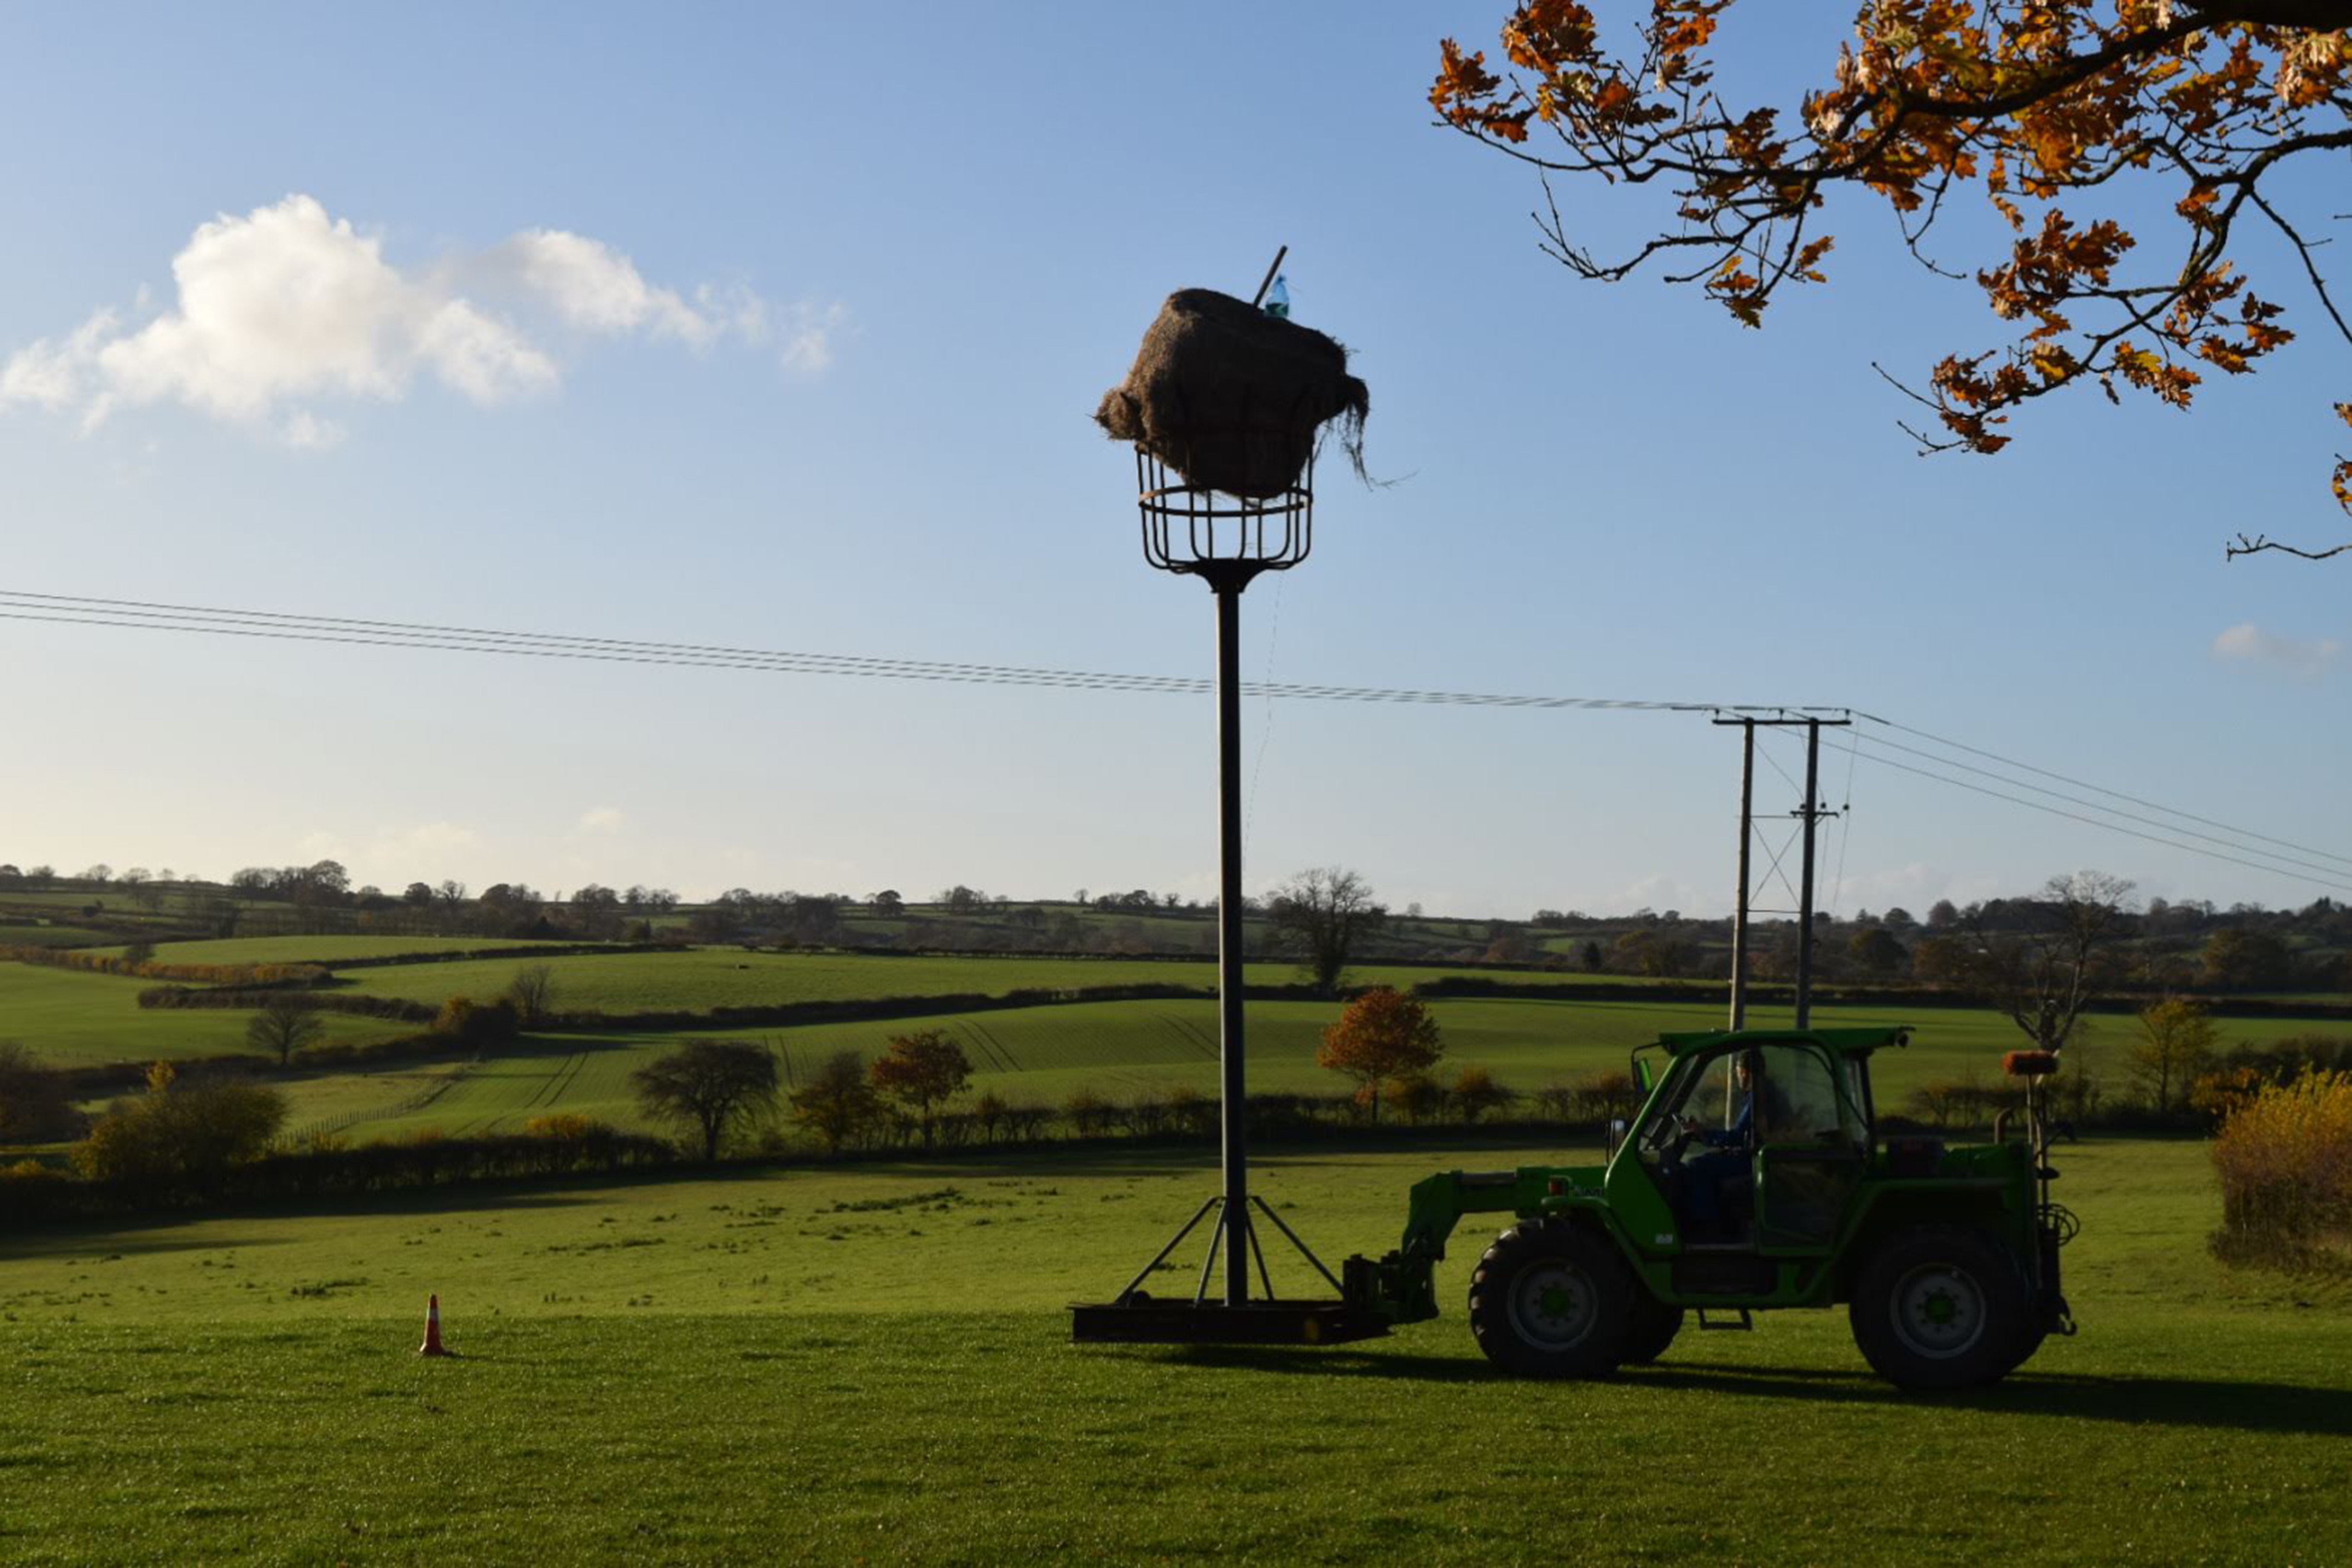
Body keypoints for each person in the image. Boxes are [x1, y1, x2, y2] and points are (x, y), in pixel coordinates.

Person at [1677, 1051, 1791, 1240]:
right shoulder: (1770, 1093)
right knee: (1709, 1161)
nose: (1738, 1078)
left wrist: (1703, 1133)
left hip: (1756, 1161)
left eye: (1738, 1073)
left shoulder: (1759, 1098)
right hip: (1763, 1158)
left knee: (1697, 1166)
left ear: (1745, 1073)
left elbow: (1737, 1136)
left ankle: (1707, 1229)